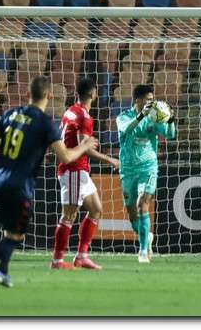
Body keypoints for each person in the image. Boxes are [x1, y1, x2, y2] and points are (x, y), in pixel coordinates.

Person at [0, 76, 97, 288]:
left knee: (9, 232)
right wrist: (84, 146)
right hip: (18, 186)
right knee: (14, 238)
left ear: (28, 94)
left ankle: (2, 272)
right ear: (49, 96)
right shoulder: (44, 123)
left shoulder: (11, 113)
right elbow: (66, 157)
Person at [51, 78, 120, 270]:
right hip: (74, 169)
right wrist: (110, 159)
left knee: (96, 209)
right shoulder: (84, 117)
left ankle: (82, 256)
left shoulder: (71, 110)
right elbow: (85, 147)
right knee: (69, 216)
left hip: (79, 170)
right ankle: (57, 261)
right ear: (93, 94)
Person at [116, 85, 176, 263]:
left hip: (148, 168)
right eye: (148, 100)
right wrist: (142, 115)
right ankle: (146, 237)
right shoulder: (123, 117)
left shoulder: (154, 118)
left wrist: (171, 119)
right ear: (138, 101)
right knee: (132, 211)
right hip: (127, 169)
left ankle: (143, 251)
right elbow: (127, 129)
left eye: (152, 99)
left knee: (142, 204)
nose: (151, 103)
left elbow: (171, 135)